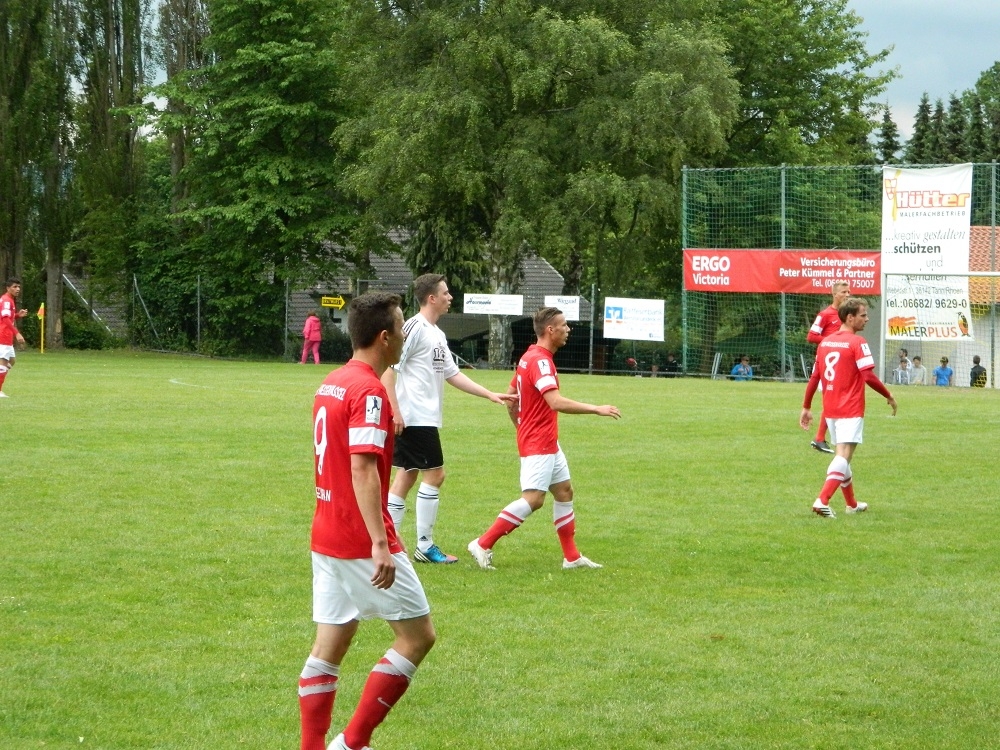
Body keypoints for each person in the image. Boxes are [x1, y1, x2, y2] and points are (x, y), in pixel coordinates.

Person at [298, 291, 436, 750]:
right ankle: (352, 743)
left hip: (326, 532)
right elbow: (361, 467)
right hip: (358, 537)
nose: (404, 335)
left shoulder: (332, 381)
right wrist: (380, 541)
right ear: (384, 337)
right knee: (417, 637)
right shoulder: (369, 391)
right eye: (400, 327)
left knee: (330, 645)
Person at [467, 307, 621, 571]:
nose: (568, 329)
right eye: (564, 325)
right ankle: (482, 543)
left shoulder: (529, 357)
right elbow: (555, 402)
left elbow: (511, 397)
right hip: (539, 442)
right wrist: (596, 409)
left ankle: (571, 557)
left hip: (545, 440)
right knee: (534, 499)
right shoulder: (540, 362)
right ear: (551, 330)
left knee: (564, 491)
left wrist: (521, 426)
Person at [381, 273, 514, 565]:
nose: (450, 297)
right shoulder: (414, 327)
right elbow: (389, 369)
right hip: (414, 416)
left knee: (407, 475)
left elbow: (452, 374)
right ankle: (424, 546)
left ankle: (390, 543)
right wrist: (395, 411)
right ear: (431, 298)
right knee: (435, 475)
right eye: (445, 293)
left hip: (422, 416)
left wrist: (489, 394)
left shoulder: (437, 333)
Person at [800, 298, 897, 518]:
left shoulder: (825, 342)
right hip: (850, 407)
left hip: (831, 408)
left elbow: (815, 377)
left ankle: (852, 505)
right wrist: (888, 395)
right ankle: (822, 500)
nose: (867, 319)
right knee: (843, 456)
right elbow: (868, 376)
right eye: (863, 315)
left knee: (842, 456)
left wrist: (806, 406)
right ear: (850, 317)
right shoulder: (857, 342)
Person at [806, 280, 852, 454]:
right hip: (826, 362)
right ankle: (819, 438)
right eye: (843, 292)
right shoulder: (825, 314)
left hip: (839, 362)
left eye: (849, 292)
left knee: (835, 399)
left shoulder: (847, 315)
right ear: (834, 294)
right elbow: (811, 336)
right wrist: (831, 341)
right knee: (832, 399)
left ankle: (821, 438)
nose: (847, 295)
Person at [0, 277, 28, 399]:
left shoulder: (9, 300)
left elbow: (6, 317)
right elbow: (5, 319)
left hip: (7, 336)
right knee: (3, 363)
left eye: (19, 287)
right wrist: (17, 333)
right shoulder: (7, 301)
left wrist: (17, 315)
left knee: (11, 361)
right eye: (14, 287)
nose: (18, 289)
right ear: (8, 288)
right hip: (3, 335)